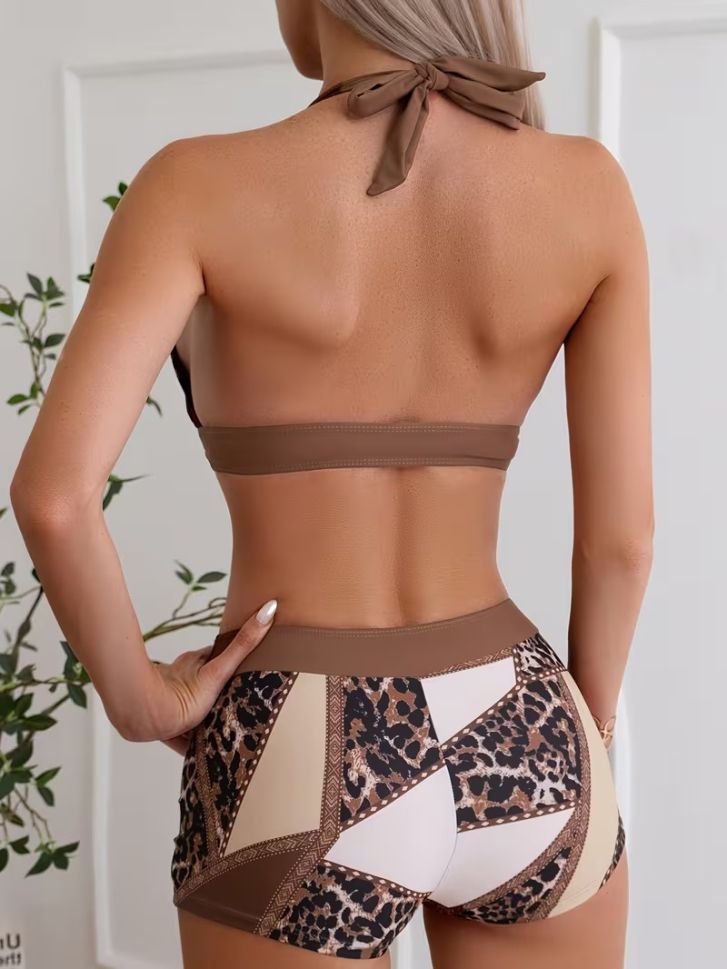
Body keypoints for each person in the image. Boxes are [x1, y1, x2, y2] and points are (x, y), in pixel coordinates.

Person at [9, 1, 653, 966]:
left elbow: (54, 498)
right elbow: (621, 542)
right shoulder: (587, 185)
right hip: (524, 725)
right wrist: (582, 736)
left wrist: (142, 701)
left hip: (297, 733)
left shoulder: (195, 184)